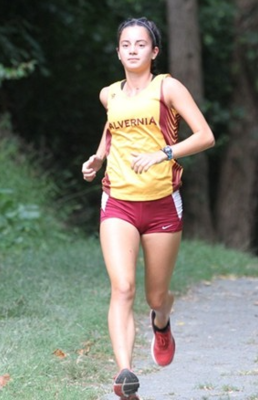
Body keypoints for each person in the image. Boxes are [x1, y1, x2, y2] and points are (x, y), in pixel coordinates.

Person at [81, 16, 215, 399]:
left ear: (154, 52)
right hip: (118, 202)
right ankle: (125, 375)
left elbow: (205, 135)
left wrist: (164, 153)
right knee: (122, 288)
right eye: (126, 44)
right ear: (118, 52)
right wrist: (98, 159)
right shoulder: (109, 94)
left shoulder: (167, 88)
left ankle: (162, 321)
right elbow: (112, 128)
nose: (133, 50)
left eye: (141, 44)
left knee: (156, 297)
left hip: (161, 206)